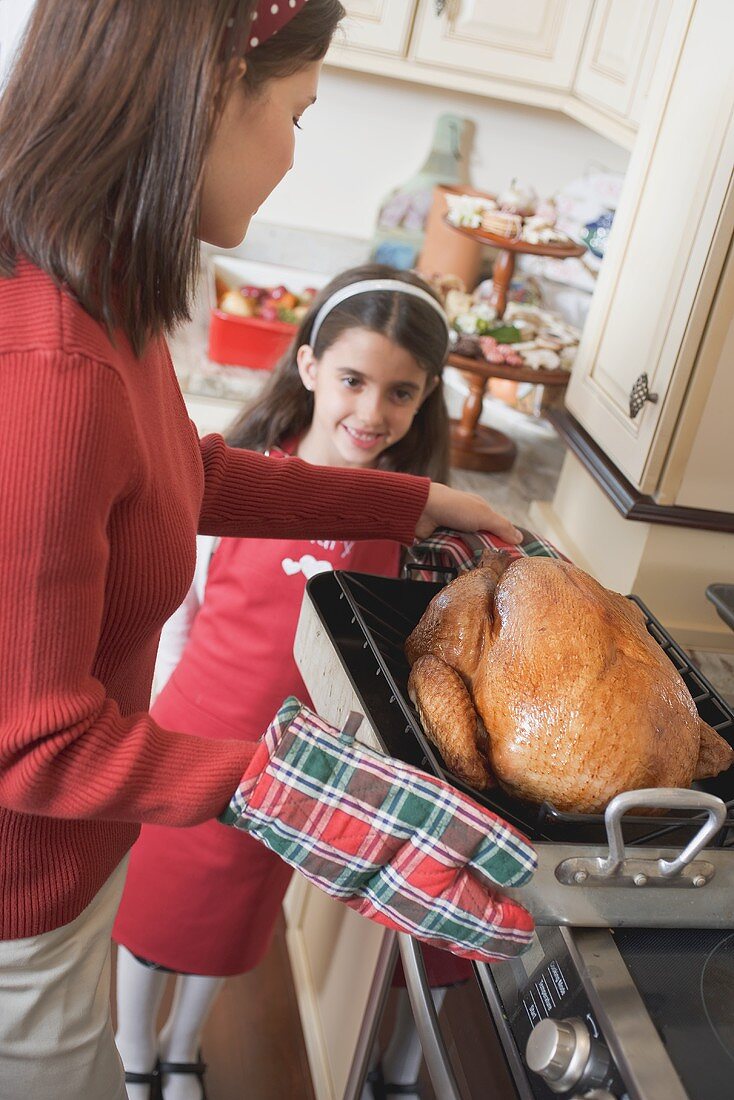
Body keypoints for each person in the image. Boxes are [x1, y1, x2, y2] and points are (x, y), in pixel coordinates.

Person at [0, 4, 531, 1099]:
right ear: (203, 96)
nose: (296, 147)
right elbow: (31, 747)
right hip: (19, 906)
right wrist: (299, 788)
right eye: (296, 111)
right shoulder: (54, 367)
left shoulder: (99, 303)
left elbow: (174, 474)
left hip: (64, 872)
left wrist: (403, 500)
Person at [112, 262, 454, 1100]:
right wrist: (160, 716)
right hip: (190, 738)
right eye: (352, 380)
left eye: (400, 393)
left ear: (427, 396)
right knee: (153, 916)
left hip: (294, 769)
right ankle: (130, 1052)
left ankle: (185, 1048)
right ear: (306, 367)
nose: (372, 413)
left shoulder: (406, 526)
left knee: (230, 923)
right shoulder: (233, 485)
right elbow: (178, 614)